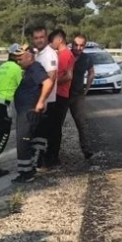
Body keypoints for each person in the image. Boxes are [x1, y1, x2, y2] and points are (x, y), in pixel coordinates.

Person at [12, 45, 54, 183]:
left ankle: (26, 173)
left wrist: (41, 102)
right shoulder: (30, 69)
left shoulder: (35, 68)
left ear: (29, 56)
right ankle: (29, 168)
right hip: (26, 110)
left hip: (28, 111)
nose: (18, 61)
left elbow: (48, 82)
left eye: (20, 58)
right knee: (28, 140)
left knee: (22, 141)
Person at [0, 45, 25, 179]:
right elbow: (22, 88)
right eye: (19, 55)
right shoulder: (17, 69)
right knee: (2, 138)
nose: (21, 57)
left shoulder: (0, 68)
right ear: (14, 55)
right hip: (4, 106)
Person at [29, 25, 58, 169]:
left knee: (44, 133)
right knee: (37, 132)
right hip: (38, 100)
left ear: (46, 38)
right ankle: (38, 161)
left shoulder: (50, 54)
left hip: (47, 101)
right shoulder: (37, 54)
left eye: (41, 37)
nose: (39, 40)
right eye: (36, 38)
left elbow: (51, 78)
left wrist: (43, 100)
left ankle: (43, 164)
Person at [45, 28, 74, 167]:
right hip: (59, 95)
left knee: (55, 127)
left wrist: (52, 84)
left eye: (52, 41)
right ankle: (52, 156)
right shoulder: (62, 54)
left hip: (60, 95)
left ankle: (53, 157)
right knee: (53, 127)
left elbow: (67, 76)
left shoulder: (64, 55)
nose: (51, 43)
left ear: (60, 39)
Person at [69, 35, 96, 160]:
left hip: (77, 95)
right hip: (62, 94)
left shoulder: (86, 59)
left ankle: (87, 150)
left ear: (84, 46)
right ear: (72, 44)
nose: (78, 48)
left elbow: (91, 73)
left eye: (81, 45)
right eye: (76, 45)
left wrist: (86, 89)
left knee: (81, 122)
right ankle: (52, 154)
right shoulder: (65, 55)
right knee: (56, 124)